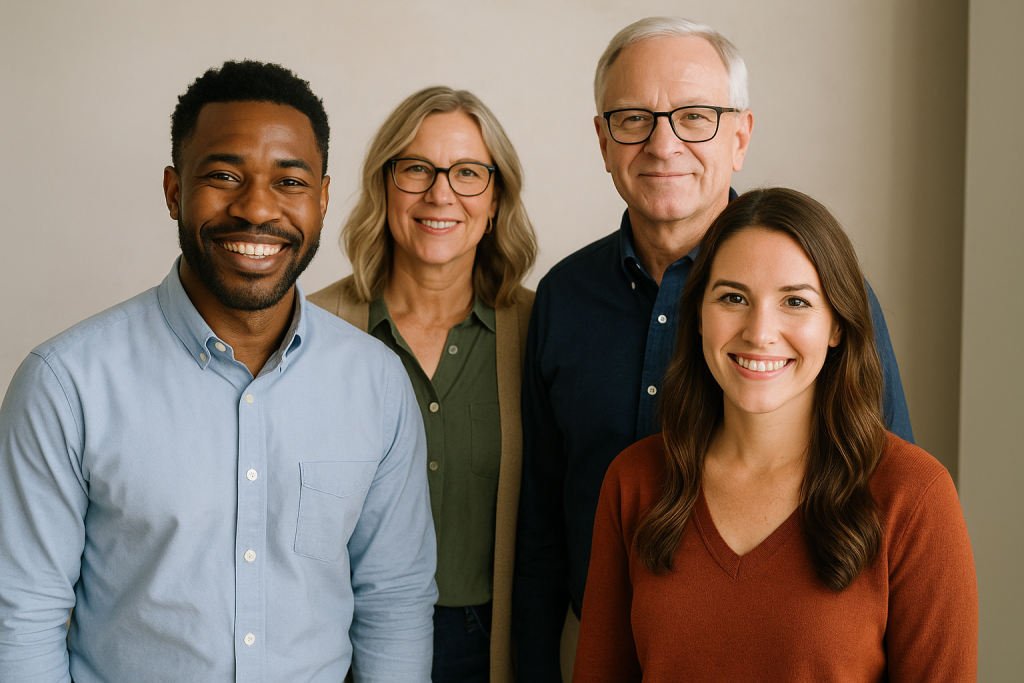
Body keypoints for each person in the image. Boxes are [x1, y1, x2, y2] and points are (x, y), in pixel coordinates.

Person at [0, 60, 437, 682]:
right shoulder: (65, 383)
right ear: (174, 190)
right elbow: (21, 618)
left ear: (323, 198)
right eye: (224, 175)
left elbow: (393, 602)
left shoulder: (376, 383)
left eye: (290, 181)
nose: (257, 209)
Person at [514, 16, 916, 681]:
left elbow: (885, 494)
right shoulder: (563, 297)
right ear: (603, 140)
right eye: (633, 118)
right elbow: (541, 530)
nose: (662, 144)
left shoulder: (821, 299)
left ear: (741, 136)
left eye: (695, 116)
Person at [572, 187, 977, 682]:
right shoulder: (634, 480)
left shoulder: (914, 496)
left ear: (837, 325)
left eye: (795, 301)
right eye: (734, 297)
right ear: (698, 314)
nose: (760, 331)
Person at [309, 86, 536, 683]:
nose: (441, 193)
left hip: (491, 642)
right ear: (384, 186)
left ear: (495, 199)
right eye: (416, 169)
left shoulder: (540, 330)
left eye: (467, 173)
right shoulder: (312, 329)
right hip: (346, 639)